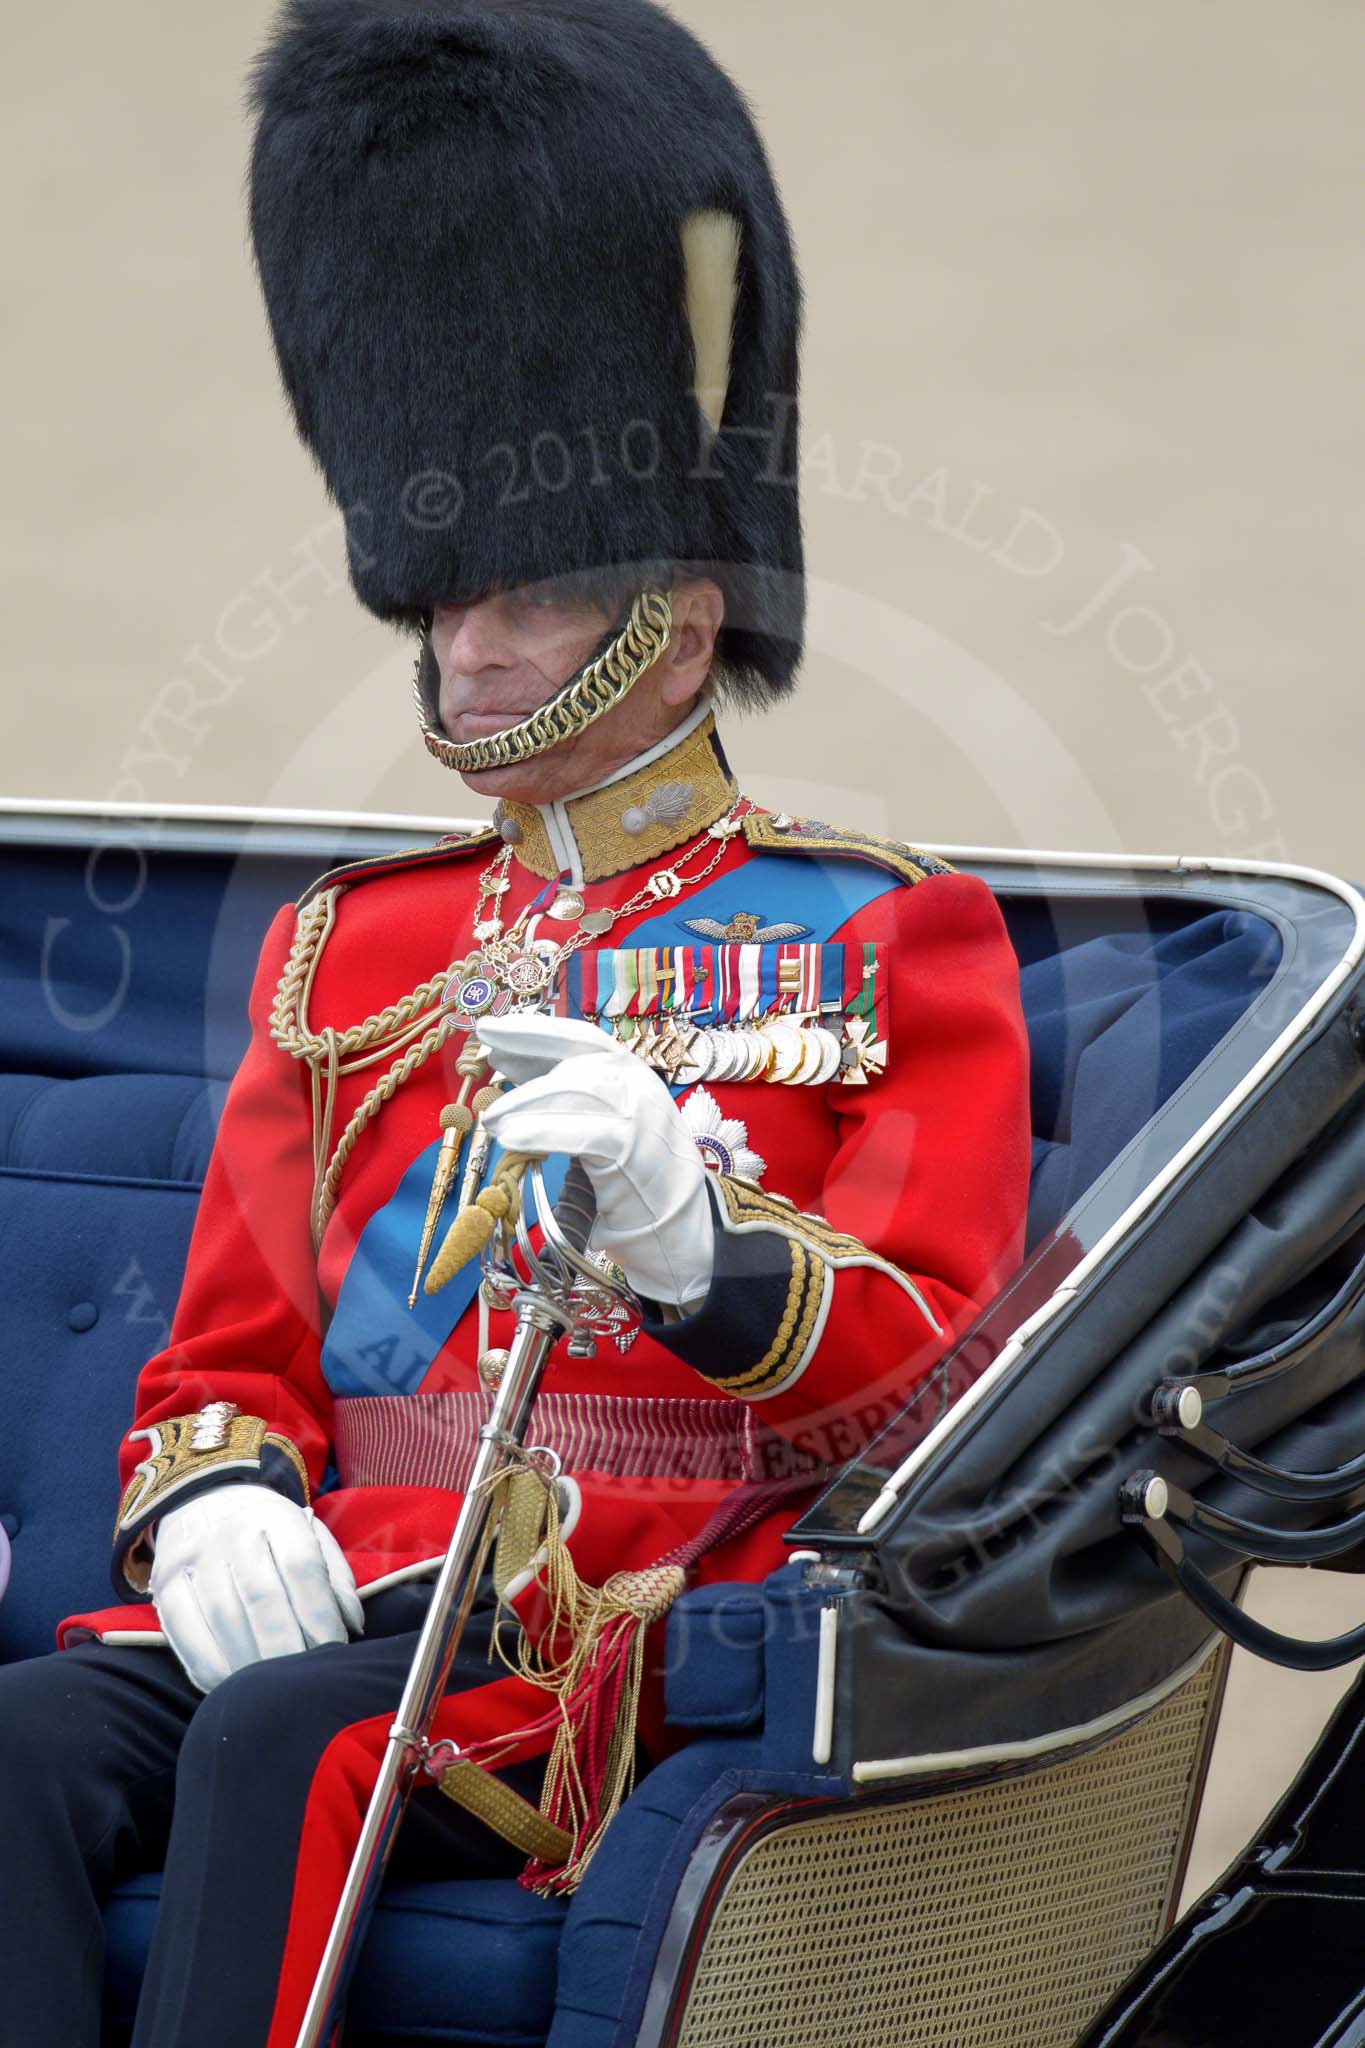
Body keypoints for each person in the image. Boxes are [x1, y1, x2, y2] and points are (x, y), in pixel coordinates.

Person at [0, 2, 1032, 2043]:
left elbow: (929, 1393)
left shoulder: (885, 934)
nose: (465, 644)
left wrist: (693, 1240)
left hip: (618, 1628)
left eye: (525, 597)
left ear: (682, 602)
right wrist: (211, 1494)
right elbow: (224, 1355)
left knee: (280, 1742)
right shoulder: (355, 952)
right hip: (351, 1578)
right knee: (27, 1736)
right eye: (438, 597)